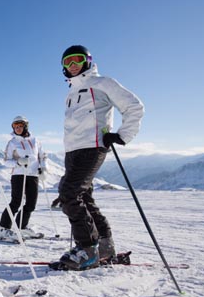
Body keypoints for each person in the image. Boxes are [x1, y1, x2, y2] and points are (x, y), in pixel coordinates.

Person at [55, 45, 144, 270]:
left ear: (88, 61)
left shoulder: (102, 83)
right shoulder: (71, 92)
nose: (72, 65)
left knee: (70, 194)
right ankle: (104, 246)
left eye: (77, 59)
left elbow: (134, 106)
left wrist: (122, 135)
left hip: (93, 147)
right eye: (67, 62)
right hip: (73, 151)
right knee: (83, 197)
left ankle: (87, 249)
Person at [0, 115, 47, 242]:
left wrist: (44, 168)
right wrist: (18, 162)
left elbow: (42, 156)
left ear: (25, 126)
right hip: (18, 174)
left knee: (31, 204)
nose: (17, 128)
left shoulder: (35, 140)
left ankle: (21, 227)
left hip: (33, 175)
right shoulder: (12, 142)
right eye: (15, 126)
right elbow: (6, 161)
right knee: (16, 202)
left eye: (20, 126)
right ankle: (3, 228)